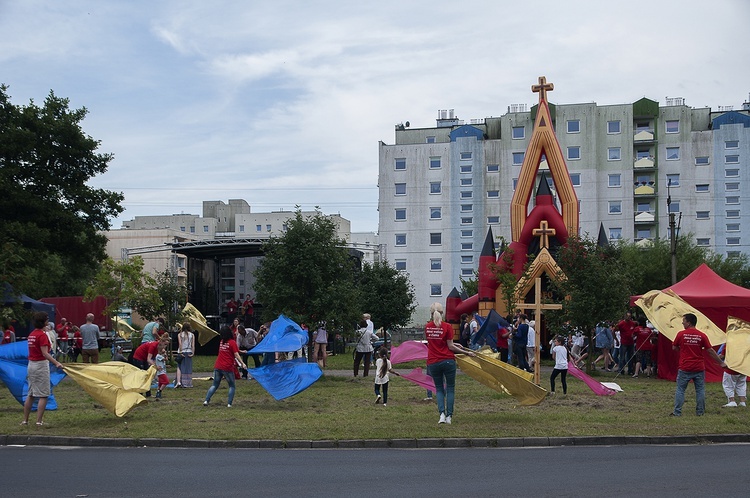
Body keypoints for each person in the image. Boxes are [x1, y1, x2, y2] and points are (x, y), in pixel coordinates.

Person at [425, 302, 475, 425]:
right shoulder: (447, 326)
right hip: (447, 360)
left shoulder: (427, 327)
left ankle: (441, 414)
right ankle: (449, 416)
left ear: (431, 314)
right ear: (443, 313)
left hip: (433, 361)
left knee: (439, 389)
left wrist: (454, 345)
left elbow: (435, 343)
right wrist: (466, 353)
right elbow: (450, 346)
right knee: (450, 388)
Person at [671, 313, 726, 417]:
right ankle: (700, 412)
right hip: (699, 367)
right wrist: (721, 363)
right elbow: (710, 350)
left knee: (680, 390)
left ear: (689, 322)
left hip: (685, 367)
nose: (682, 322)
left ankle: (677, 412)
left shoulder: (681, 334)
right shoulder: (702, 335)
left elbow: (674, 347)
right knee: (700, 390)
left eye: (684, 321)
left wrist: (682, 349)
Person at [21, 311, 63, 426]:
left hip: (31, 365)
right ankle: (39, 421)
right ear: (44, 321)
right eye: (47, 319)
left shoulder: (32, 334)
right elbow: (45, 353)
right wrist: (56, 363)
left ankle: (25, 420)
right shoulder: (42, 336)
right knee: (43, 395)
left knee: (31, 394)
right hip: (40, 365)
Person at [204, 326, 246, 408]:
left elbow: (233, 350)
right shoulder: (232, 342)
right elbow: (236, 354)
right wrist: (242, 363)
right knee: (232, 386)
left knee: (215, 385)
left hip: (218, 366)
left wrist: (241, 351)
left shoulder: (222, 342)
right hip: (227, 367)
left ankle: (206, 400)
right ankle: (229, 403)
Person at [717, 344, 747, 408]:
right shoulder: (746, 342)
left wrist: (717, 357)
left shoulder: (729, 343)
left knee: (728, 385)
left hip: (731, 368)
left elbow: (722, 356)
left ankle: (732, 401)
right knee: (741, 384)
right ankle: (742, 402)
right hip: (743, 368)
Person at [176, 323, 195, 388]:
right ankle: (188, 383)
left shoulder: (180, 334)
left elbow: (180, 344)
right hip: (189, 351)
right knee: (188, 367)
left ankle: (179, 381)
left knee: (180, 367)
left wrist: (181, 352)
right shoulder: (192, 335)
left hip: (182, 351)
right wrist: (193, 353)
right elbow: (192, 345)